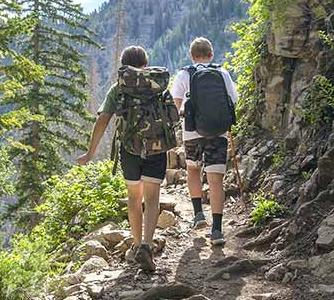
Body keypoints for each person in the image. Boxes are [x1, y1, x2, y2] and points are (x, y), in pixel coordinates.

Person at [77, 45, 175, 272]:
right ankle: (147, 247)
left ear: (123, 65)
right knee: (152, 199)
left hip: (130, 151)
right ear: (145, 64)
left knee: (134, 198)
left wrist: (90, 153)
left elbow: (102, 121)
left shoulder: (118, 89)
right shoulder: (158, 86)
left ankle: (137, 243)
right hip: (156, 149)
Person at [171, 37, 239, 246]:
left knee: (192, 170)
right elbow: (234, 100)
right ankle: (217, 230)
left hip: (192, 131)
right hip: (218, 131)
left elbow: (175, 105)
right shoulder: (222, 73)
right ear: (211, 55)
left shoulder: (184, 74)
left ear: (192, 56)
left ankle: (199, 214)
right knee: (215, 179)